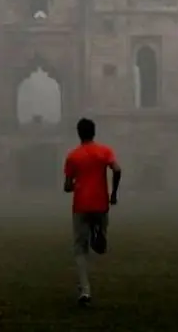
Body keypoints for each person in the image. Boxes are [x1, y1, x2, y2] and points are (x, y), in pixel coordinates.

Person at [63, 117, 121, 306]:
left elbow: (67, 186)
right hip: (101, 204)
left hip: (81, 206)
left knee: (80, 248)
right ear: (94, 132)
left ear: (78, 133)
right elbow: (117, 169)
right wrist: (114, 193)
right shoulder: (104, 151)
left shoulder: (73, 156)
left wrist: (73, 185)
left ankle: (85, 290)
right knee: (100, 246)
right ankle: (99, 234)